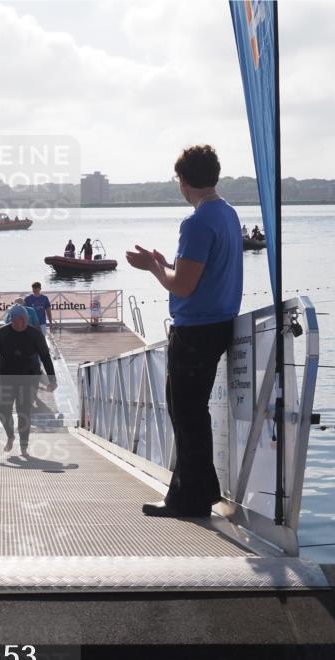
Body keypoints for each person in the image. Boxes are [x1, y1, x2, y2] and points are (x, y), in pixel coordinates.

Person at [126, 144, 243, 518]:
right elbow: (196, 275)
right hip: (220, 323)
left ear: (183, 181)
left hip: (195, 330)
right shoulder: (228, 214)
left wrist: (153, 268)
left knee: (186, 414)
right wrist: (165, 263)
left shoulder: (197, 222)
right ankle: (202, 490)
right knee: (194, 413)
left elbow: (183, 286)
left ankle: (187, 499)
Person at [0, 304, 57, 456]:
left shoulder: (35, 334)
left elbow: (46, 357)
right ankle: (10, 435)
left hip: (29, 376)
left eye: (24, 320)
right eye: (18, 320)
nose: (22, 323)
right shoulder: (0, 334)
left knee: (24, 411)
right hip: (5, 376)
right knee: (3, 410)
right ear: (12, 320)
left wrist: (52, 380)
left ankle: (24, 446)